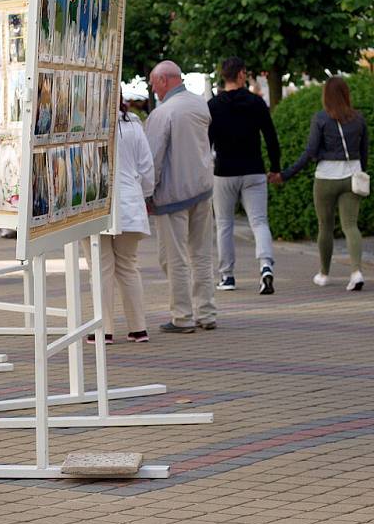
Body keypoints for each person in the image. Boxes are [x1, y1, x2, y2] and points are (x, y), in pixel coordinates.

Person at [273, 77, 369, 291]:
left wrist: (286, 175)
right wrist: (360, 170)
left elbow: (310, 152)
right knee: (350, 226)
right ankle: (356, 272)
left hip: (326, 177)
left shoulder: (321, 118)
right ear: (346, 94)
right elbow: (364, 152)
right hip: (352, 176)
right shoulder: (359, 119)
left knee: (325, 227)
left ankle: (324, 274)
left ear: (326, 95)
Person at [145, 60, 216, 333]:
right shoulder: (200, 104)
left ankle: (182, 317)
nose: (152, 88)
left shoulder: (163, 114)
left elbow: (153, 159)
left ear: (164, 80)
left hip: (173, 195)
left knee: (173, 258)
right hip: (202, 189)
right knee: (201, 254)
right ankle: (207, 313)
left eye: (153, 82)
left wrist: (147, 195)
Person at [82, 101, 154, 344]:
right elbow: (147, 168)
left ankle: (104, 329)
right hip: (130, 202)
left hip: (96, 202)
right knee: (128, 266)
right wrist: (141, 194)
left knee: (101, 267)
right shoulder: (134, 126)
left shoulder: (85, 126)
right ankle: (138, 328)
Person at [208, 57, 281, 294]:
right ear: (240, 75)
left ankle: (227, 276)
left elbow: (206, 142)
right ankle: (266, 266)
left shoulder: (213, 105)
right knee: (259, 221)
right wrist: (275, 167)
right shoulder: (256, 103)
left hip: (224, 172)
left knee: (224, 224)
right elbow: (270, 137)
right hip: (254, 170)